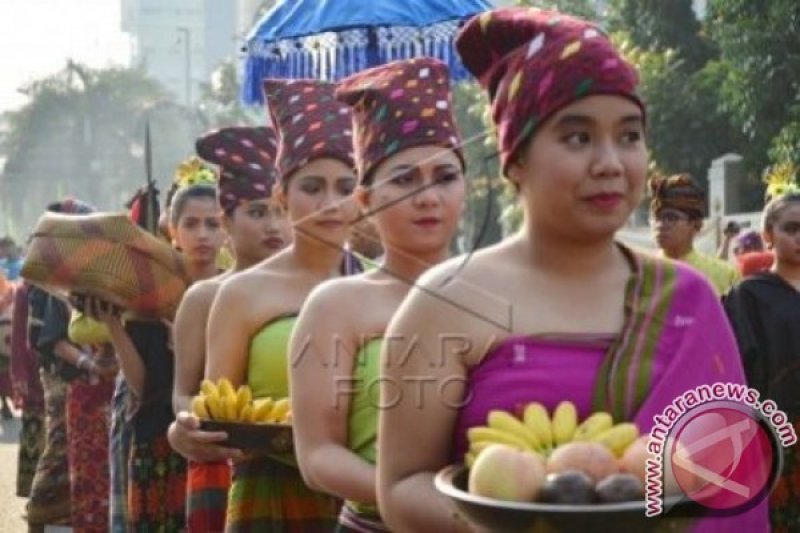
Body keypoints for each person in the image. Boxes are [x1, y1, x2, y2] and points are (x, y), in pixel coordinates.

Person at [375, 8, 768, 532]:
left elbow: (732, 470)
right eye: (577, 137)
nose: (610, 162)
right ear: (515, 158)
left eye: (629, 136)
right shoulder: (446, 299)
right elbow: (402, 485)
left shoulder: (687, 297)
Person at [289, 57, 466, 532]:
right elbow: (318, 454)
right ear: (366, 201)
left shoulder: (503, 291)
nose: (428, 197)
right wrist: (417, 499)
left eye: (445, 177)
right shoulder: (336, 306)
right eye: (404, 179)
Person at [205, 78, 357, 531]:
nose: (330, 203)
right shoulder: (241, 294)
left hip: (370, 496)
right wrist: (188, 431)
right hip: (271, 496)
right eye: (312, 186)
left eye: (345, 186)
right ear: (281, 197)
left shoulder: (383, 282)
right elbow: (217, 409)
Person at [86, 164, 225, 532]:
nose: (203, 234)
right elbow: (141, 387)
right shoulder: (152, 293)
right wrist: (114, 325)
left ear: (227, 229)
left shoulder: (235, 293)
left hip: (216, 439)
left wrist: (187, 346)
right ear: (172, 230)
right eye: (192, 224)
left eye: (213, 224)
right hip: (154, 439)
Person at [168, 125, 290, 532]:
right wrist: (192, 425)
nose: (273, 226)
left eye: (281, 210)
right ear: (227, 221)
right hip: (224, 461)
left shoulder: (322, 289)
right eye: (257, 212)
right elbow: (184, 390)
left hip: (307, 462)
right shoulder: (204, 297)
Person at [724, 192, 800, 532]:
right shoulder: (750, 295)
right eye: (792, 228)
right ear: (768, 235)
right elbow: (737, 370)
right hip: (778, 437)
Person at [25, 198, 95, 530]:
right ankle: (40, 516)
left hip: (81, 379)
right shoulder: (58, 280)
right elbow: (55, 340)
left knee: (76, 455)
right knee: (59, 448)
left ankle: (64, 519)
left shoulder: (77, 272)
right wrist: (89, 362)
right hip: (65, 378)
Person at [650, 173, 740, 296]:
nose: (661, 225)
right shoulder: (641, 274)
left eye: (671, 218)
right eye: (658, 218)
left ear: (695, 224)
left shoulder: (725, 274)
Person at [9, 280, 45, 500]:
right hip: (33, 372)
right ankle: (32, 491)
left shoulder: (63, 288)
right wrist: (20, 373)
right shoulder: (25, 291)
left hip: (59, 369)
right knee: (33, 428)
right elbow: (18, 334)